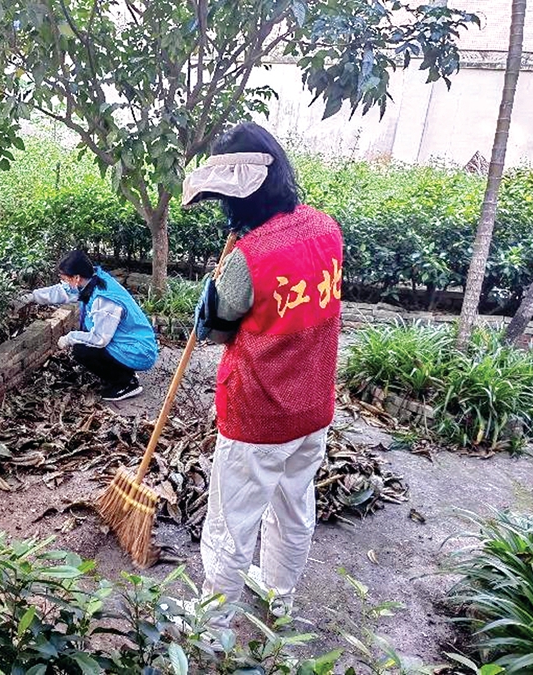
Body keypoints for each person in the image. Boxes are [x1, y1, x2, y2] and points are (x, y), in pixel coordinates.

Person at [182, 122, 343, 619]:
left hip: (258, 415)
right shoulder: (327, 228)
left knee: (231, 523)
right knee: (293, 508)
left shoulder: (248, 258)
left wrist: (211, 301)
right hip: (313, 408)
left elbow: (218, 330)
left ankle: (211, 626)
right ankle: (279, 595)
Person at [21, 250, 159, 401]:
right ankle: (125, 373)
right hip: (129, 342)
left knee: (82, 351)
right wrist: (31, 297)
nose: (64, 282)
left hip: (140, 352)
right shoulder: (92, 280)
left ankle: (125, 384)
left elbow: (99, 339)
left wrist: (69, 338)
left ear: (76, 278)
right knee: (85, 344)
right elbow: (62, 291)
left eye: (65, 279)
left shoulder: (104, 300)